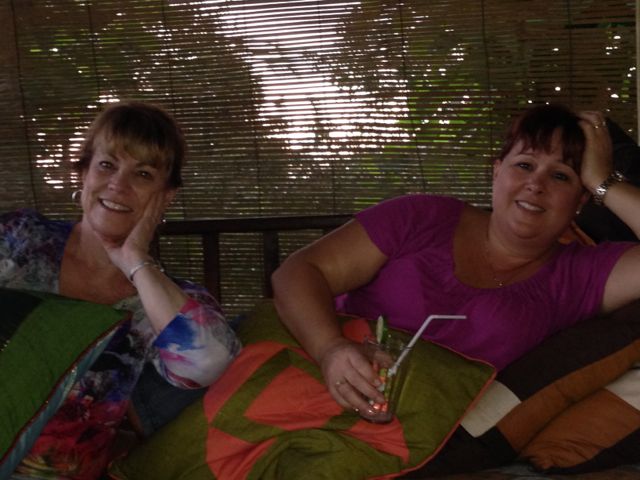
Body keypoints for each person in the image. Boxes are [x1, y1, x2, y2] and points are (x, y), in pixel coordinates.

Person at [272, 104, 640, 419]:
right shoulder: (421, 217)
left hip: (422, 438)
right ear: (496, 172)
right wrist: (329, 348)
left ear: (580, 200)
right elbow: (299, 271)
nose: (536, 184)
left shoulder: (581, 275)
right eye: (524, 165)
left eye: (560, 176)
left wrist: (603, 181)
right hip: (313, 391)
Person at [0, 101, 242, 479]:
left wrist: (133, 259)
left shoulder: (162, 300)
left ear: (166, 196)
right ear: (83, 174)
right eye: (106, 165)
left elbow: (208, 364)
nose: (118, 184)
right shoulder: (20, 239)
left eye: (143, 174)